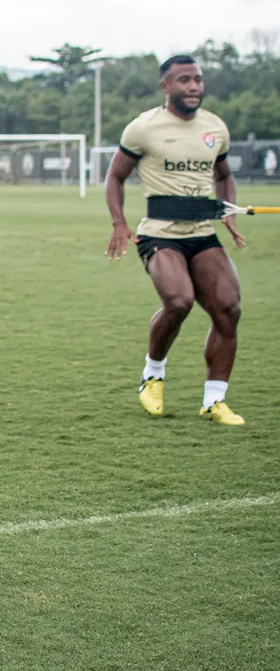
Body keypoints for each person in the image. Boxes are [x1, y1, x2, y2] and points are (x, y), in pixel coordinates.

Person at [106, 55, 246, 425]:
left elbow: (224, 174)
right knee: (179, 301)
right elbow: (115, 177)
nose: (194, 86)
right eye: (184, 79)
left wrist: (227, 210)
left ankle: (214, 401)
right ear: (166, 86)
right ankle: (153, 374)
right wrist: (119, 223)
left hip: (201, 233)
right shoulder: (143, 128)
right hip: (159, 234)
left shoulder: (216, 127)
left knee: (229, 310)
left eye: (198, 79)